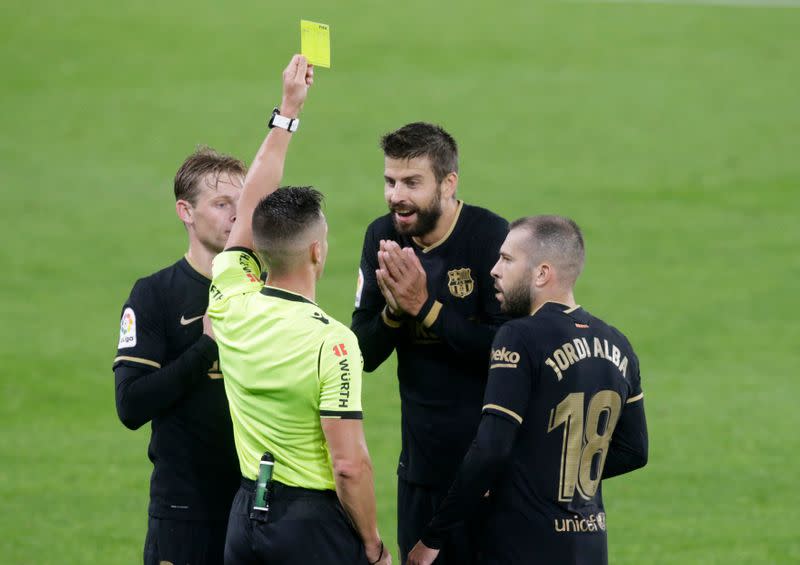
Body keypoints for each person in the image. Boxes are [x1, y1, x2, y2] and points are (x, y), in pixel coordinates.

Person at [206, 55, 391, 565]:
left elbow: (250, 209)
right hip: (311, 527)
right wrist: (373, 545)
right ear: (317, 251)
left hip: (245, 518)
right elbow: (348, 464)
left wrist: (288, 112)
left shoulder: (230, 299)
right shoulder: (333, 342)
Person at [407, 215, 649, 565]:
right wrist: (556, 473)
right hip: (591, 546)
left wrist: (432, 539)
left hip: (523, 545)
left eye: (506, 259)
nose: (494, 270)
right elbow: (633, 450)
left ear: (541, 273)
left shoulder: (519, 336)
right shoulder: (618, 344)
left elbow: (490, 448)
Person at [351, 122, 508, 563]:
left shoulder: (491, 237)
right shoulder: (382, 237)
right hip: (420, 471)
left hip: (489, 470)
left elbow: (506, 351)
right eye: (390, 181)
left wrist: (425, 307)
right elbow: (363, 352)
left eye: (412, 183)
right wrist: (394, 312)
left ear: (448, 183)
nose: (397, 195)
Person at [113, 147, 245, 564]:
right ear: (185, 211)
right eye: (222, 204)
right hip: (184, 515)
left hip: (256, 511)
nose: (235, 216)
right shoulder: (155, 294)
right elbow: (131, 405)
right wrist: (206, 346)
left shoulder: (264, 290)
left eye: (242, 205)